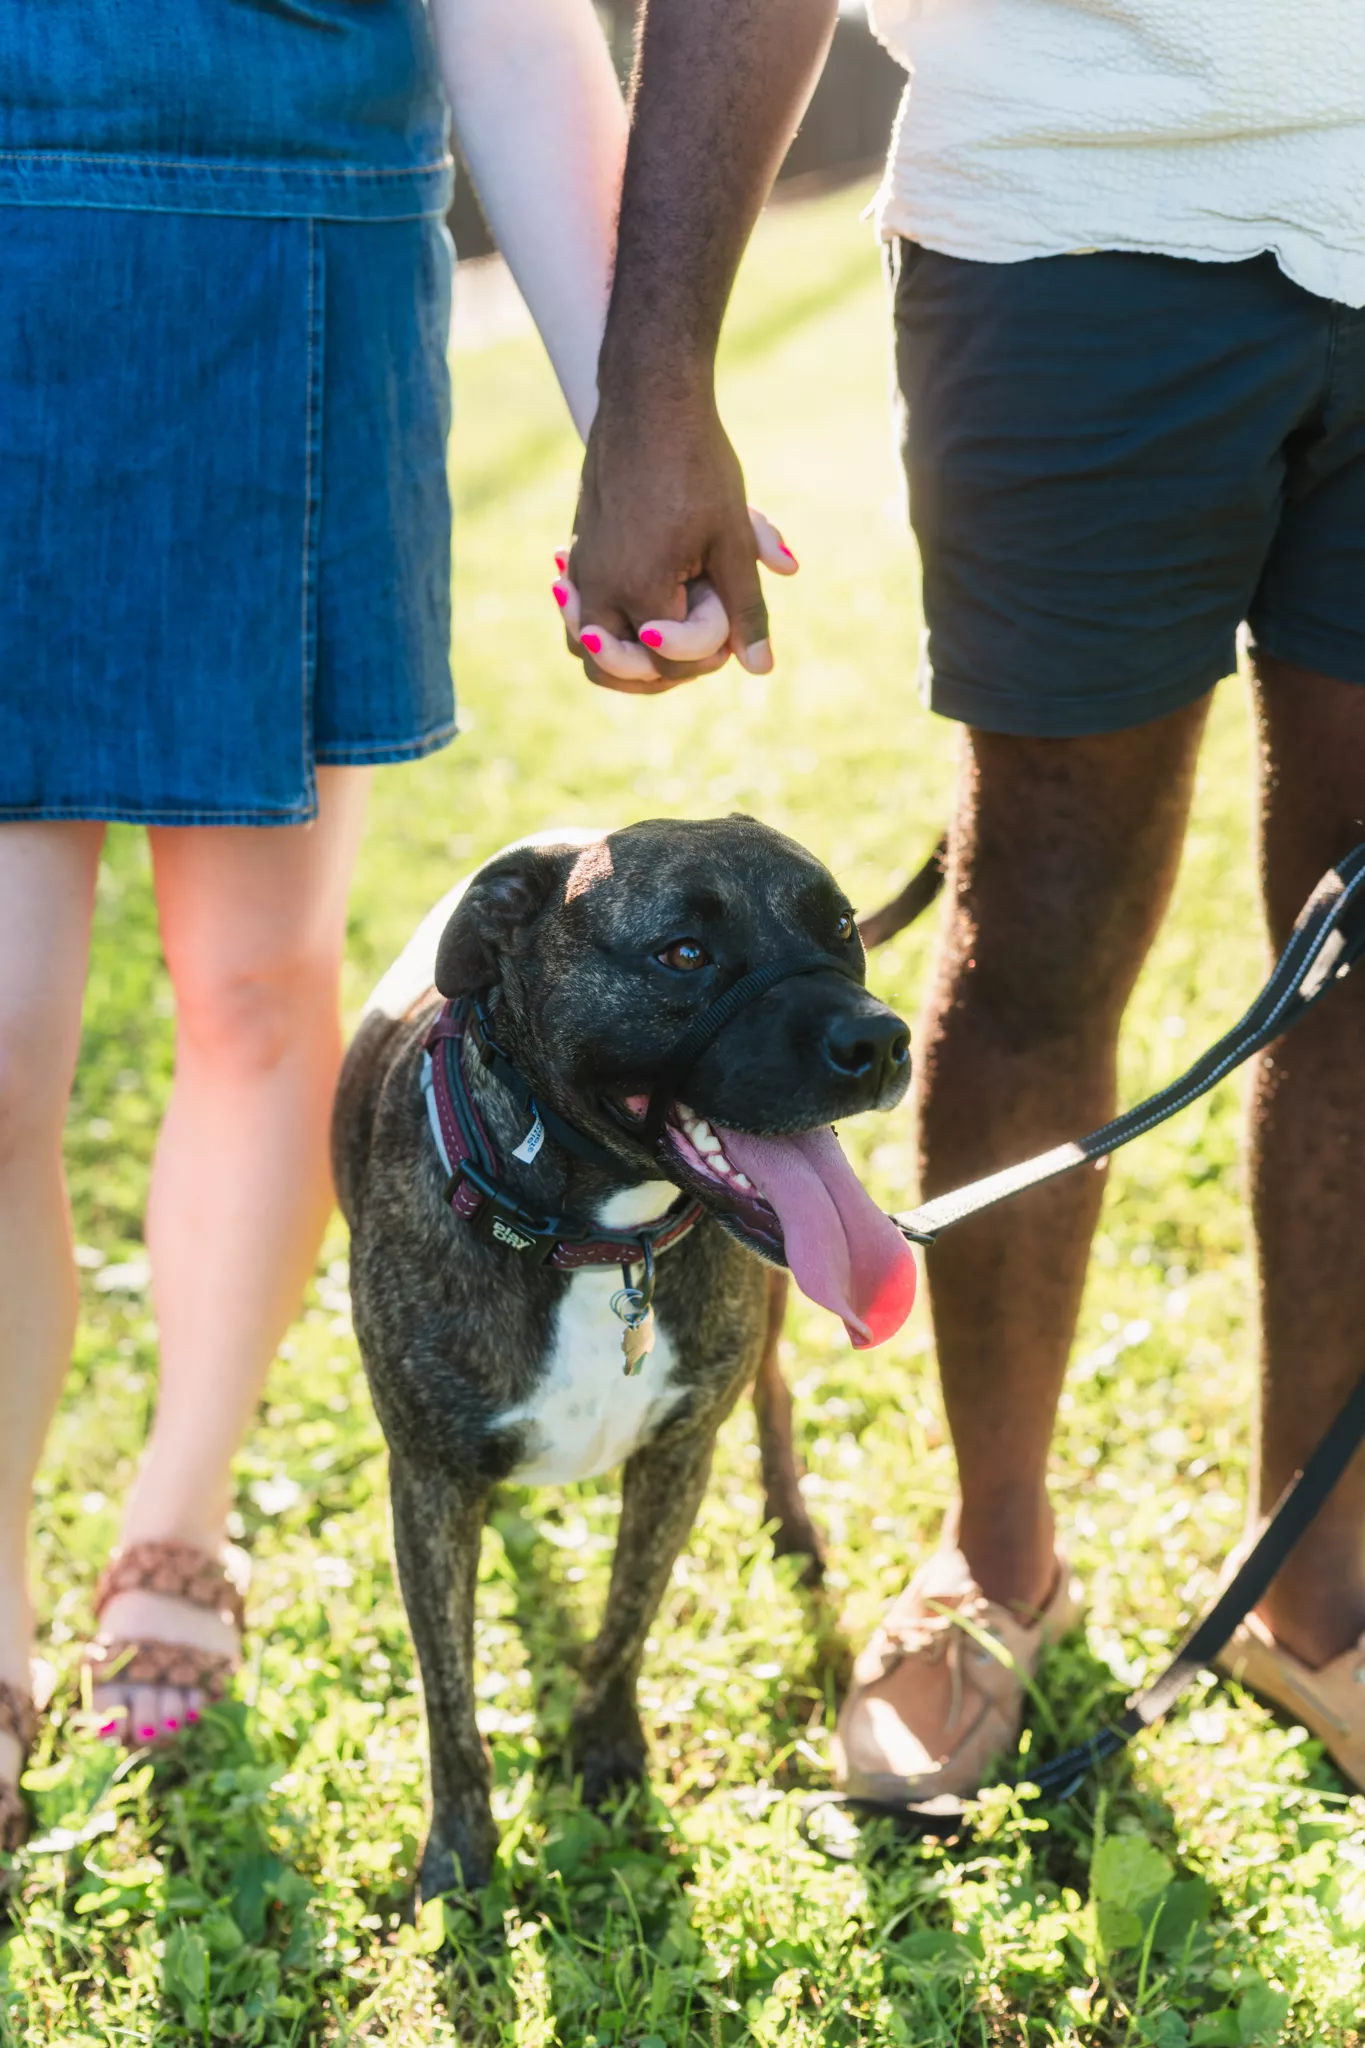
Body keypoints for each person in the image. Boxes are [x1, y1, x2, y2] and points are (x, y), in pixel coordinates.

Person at [564, 0, 1365, 1799]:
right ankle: (996, 1561)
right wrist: (655, 387)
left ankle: (1318, 1593)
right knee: (1042, 929)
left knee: (1361, 947)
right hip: (1079, 226)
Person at [0, 0, 632, 1848]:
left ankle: (178, 1509)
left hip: (289, 264)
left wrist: (638, 426)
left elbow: (513, 37)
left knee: (259, 997)